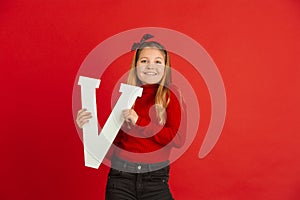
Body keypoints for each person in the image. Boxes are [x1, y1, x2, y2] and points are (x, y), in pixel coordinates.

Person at [76, 34, 186, 200]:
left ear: (166, 67)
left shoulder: (171, 95)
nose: (150, 66)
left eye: (157, 61)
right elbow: (113, 146)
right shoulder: (127, 97)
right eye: (144, 61)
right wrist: (87, 128)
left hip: (155, 179)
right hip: (121, 178)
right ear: (136, 65)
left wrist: (141, 123)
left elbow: (177, 139)